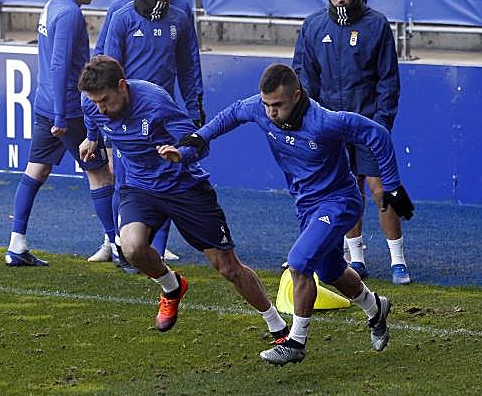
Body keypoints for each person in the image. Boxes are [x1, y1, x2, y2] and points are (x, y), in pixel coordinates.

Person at [172, 63, 414, 366]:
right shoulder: (261, 109)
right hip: (305, 206)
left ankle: (295, 342)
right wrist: (198, 139)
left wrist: (392, 186)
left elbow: (377, 134)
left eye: (277, 105)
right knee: (331, 271)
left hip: (339, 201)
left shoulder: (325, 122)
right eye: (266, 104)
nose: (270, 112)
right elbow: (233, 113)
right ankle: (376, 308)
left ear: (297, 96)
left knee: (299, 263)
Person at [78, 55, 288, 339]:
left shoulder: (155, 102)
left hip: (183, 186)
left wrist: (181, 154)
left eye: (104, 100)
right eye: (95, 102)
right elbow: (93, 118)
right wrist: (91, 137)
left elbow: (198, 143)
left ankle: (277, 325)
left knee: (228, 267)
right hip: (140, 186)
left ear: (122, 86)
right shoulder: (91, 103)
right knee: (131, 247)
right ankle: (172, 287)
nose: (100, 108)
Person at [292, 0, 411, 284]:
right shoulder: (313, 26)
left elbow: (388, 79)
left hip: (368, 123)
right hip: (330, 127)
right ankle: (356, 257)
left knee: (380, 188)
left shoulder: (376, 25)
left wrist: (381, 123)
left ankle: (398, 260)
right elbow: (304, 78)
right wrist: (310, 122)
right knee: (346, 190)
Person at [88, 0, 204, 265]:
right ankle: (119, 245)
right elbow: (105, 68)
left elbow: (189, 66)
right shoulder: (121, 14)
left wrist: (194, 109)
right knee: (124, 182)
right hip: (125, 116)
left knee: (166, 179)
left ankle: (156, 250)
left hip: (162, 115)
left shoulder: (180, 14)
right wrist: (99, 127)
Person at [4, 0, 115, 267]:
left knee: (36, 171)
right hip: (67, 109)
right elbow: (59, 64)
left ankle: (16, 245)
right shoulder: (70, 14)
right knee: (99, 173)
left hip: (47, 104)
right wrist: (61, 116)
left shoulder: (52, 4)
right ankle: (117, 244)